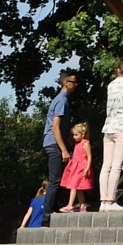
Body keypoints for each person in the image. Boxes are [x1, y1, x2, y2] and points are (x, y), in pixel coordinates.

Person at [98, 60, 123, 211]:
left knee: (106, 165)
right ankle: (110, 200)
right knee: (116, 166)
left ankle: (103, 200)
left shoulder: (111, 85)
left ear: (118, 70)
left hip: (109, 126)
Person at [42, 70, 77, 214]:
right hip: (53, 143)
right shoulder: (61, 101)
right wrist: (63, 149)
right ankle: (47, 215)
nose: (76, 85)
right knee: (55, 180)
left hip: (55, 143)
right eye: (73, 82)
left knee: (58, 179)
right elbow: (55, 127)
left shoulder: (63, 100)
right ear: (65, 83)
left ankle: (54, 209)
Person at [57, 124, 93, 213]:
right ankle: (82, 206)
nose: (74, 137)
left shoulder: (86, 144)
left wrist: (87, 168)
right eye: (73, 135)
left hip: (81, 167)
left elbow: (89, 156)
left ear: (83, 134)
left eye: (76, 135)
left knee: (73, 185)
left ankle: (70, 205)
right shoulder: (77, 144)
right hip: (75, 167)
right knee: (78, 188)